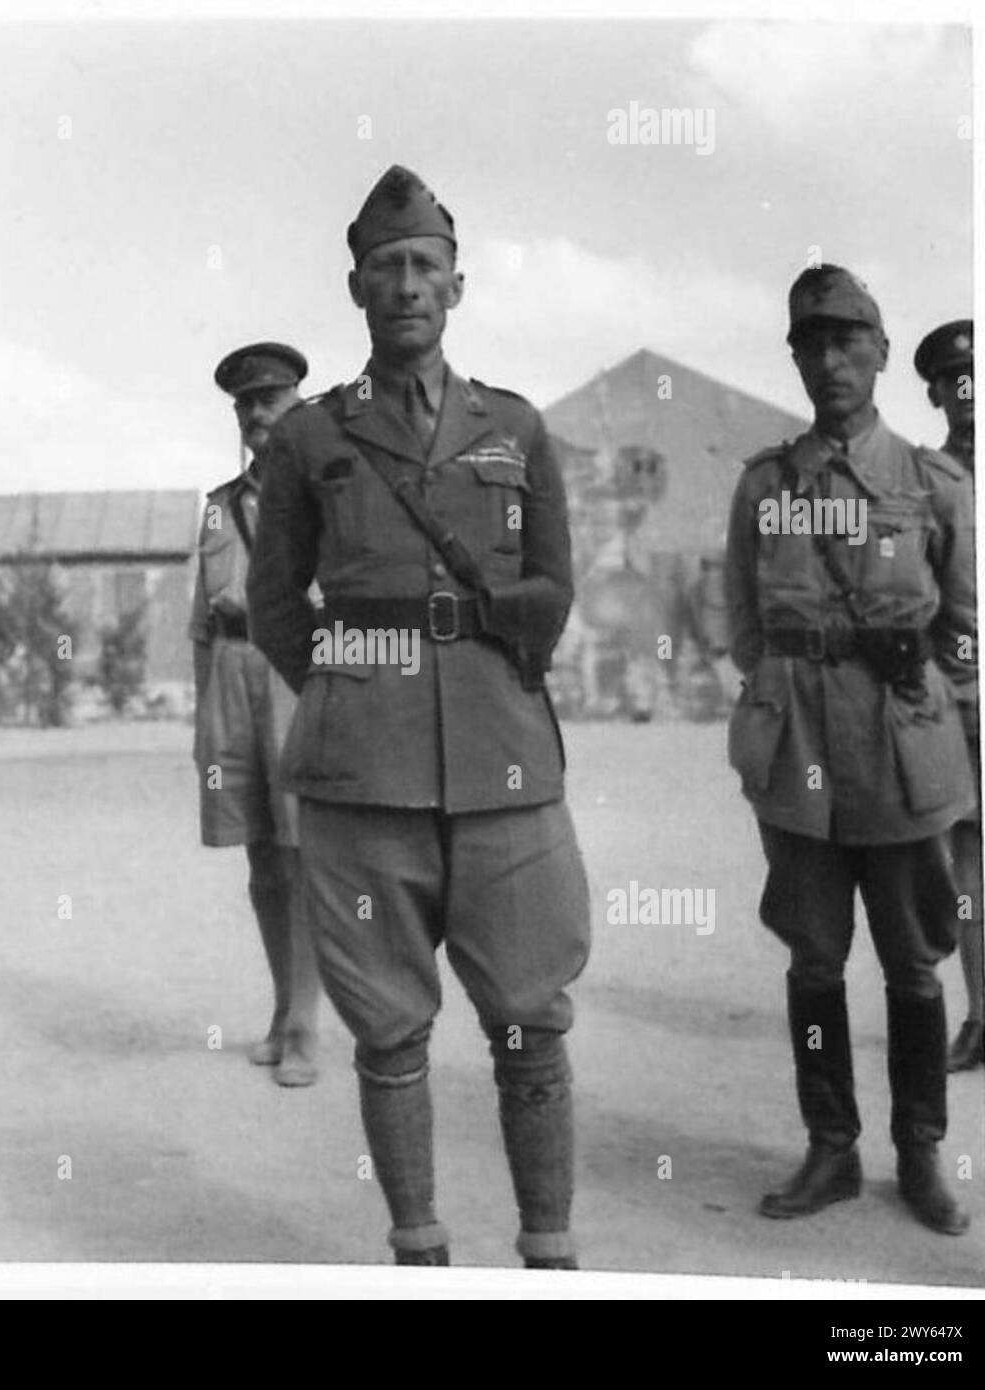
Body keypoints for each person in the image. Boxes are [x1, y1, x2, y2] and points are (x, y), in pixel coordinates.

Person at [247, 166, 591, 1268]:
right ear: (356, 288)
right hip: (363, 775)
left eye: (425, 268)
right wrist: (354, 684)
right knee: (389, 1030)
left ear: (457, 286)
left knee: (532, 1019)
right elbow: (272, 605)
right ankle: (421, 1256)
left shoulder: (517, 426)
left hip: (503, 764)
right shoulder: (309, 437)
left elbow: (553, 583)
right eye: (386, 269)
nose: (407, 286)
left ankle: (548, 1253)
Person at [724, 265, 977, 1236]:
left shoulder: (930, 481)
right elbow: (743, 617)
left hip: (901, 754)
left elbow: (966, 626)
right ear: (795, 359)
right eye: (811, 346)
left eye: (848, 344)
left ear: (877, 351)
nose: (830, 362)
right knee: (814, 962)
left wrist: (915, 690)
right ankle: (831, 1146)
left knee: (914, 964)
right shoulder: (765, 483)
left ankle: (919, 1150)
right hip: (797, 762)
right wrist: (789, 683)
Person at [188, 342, 320, 1087]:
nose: (256, 413)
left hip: (295, 674)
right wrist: (203, 723)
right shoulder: (215, 504)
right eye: (245, 403)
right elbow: (198, 621)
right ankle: (281, 1007)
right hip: (232, 681)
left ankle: (306, 1023)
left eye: (270, 398)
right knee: (261, 856)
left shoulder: (328, 493)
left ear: (299, 402)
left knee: (302, 853)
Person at [914, 321, 983, 1073]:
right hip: (964, 698)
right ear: (933, 392)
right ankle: (984, 1016)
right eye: (951, 382)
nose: (967, 394)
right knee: (968, 864)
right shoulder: (924, 479)